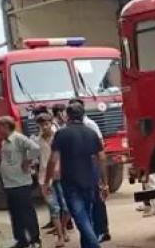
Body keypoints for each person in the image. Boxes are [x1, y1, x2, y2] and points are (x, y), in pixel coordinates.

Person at [46, 102, 109, 248]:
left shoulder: (61, 133)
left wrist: (47, 181)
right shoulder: (91, 133)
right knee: (86, 215)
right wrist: (104, 183)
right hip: (90, 181)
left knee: (81, 218)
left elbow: (53, 159)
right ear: (82, 115)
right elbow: (102, 158)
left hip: (70, 181)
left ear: (67, 116)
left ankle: (94, 245)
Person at [69, 98, 111, 242]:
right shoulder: (71, 128)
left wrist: (102, 176)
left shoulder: (90, 125)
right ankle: (95, 232)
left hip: (92, 167)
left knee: (98, 201)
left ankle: (102, 230)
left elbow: (100, 150)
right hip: (82, 170)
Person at [0, 115, 41, 248]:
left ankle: (35, 239)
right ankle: (21, 239)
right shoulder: (4, 141)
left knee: (26, 212)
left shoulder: (18, 138)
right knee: (15, 213)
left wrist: (27, 161)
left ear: (6, 126)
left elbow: (35, 148)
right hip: (9, 183)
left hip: (20, 182)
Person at [32, 112, 69, 248]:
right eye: (42, 125)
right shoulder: (37, 141)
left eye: (47, 124)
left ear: (51, 122)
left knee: (66, 207)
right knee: (54, 207)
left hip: (62, 176)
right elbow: (35, 162)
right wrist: (39, 180)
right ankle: (60, 236)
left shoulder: (60, 136)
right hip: (45, 179)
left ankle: (64, 228)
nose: (45, 127)